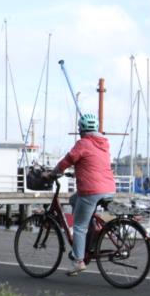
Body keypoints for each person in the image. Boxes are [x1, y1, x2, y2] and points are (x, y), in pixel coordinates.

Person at [49, 113, 116, 276]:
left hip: (91, 190)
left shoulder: (83, 143)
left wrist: (55, 172)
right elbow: (92, 164)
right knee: (74, 200)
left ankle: (78, 261)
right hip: (108, 188)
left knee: (79, 227)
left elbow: (69, 159)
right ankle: (90, 234)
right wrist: (77, 173)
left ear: (81, 129)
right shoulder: (103, 144)